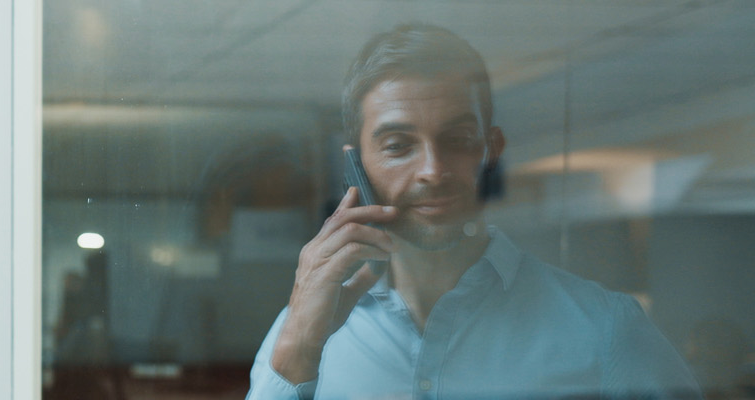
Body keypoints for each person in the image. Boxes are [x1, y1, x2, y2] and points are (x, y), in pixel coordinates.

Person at [246, 23, 699, 399]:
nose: (433, 170)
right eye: (398, 146)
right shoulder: (302, 329)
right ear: (356, 166)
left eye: (458, 140)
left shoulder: (606, 329)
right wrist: (298, 351)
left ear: (491, 150)